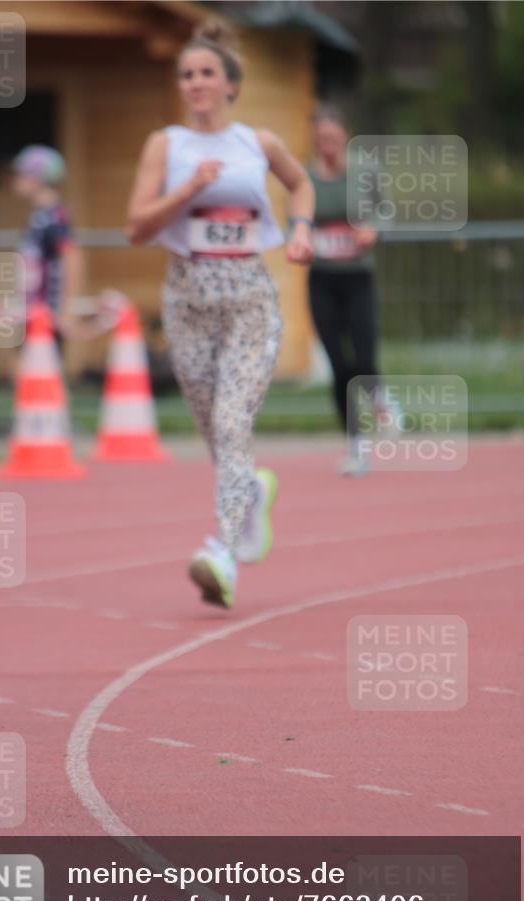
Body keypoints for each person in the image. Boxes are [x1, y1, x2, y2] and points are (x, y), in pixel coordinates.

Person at [126, 19, 314, 609]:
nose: (196, 83)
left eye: (207, 72)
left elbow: (300, 183)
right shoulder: (166, 145)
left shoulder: (257, 143)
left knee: (233, 425)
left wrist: (301, 230)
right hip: (187, 301)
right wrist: (187, 190)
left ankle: (222, 552)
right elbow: (136, 227)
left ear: (230, 83)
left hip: (249, 299)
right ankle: (251, 491)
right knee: (215, 432)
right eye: (187, 75)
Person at [307, 107, 390, 476]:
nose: (327, 145)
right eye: (321, 139)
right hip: (322, 279)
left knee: (364, 358)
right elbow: (295, 219)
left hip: (358, 277)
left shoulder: (365, 171)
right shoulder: (306, 177)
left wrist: (373, 229)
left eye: (333, 138)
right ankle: (356, 444)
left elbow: (385, 209)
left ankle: (379, 396)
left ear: (346, 136)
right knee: (339, 366)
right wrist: (302, 237)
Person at [11, 145, 82, 350]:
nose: (15, 180)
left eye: (21, 175)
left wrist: (67, 309)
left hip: (47, 313)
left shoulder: (52, 217)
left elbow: (72, 257)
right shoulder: (39, 217)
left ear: (37, 179)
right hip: (32, 311)